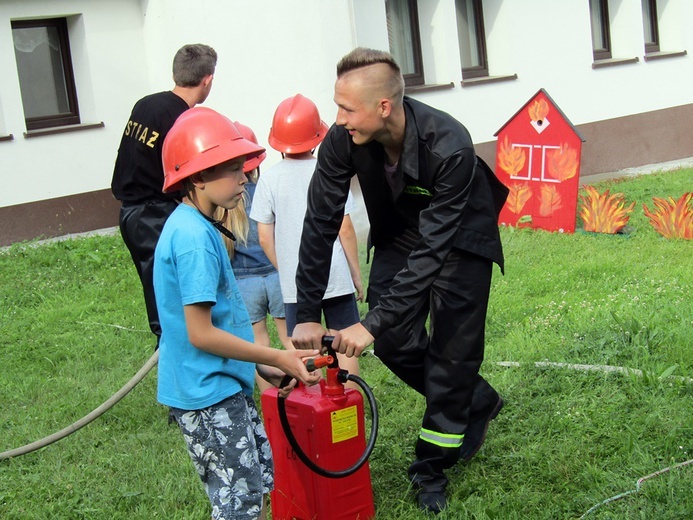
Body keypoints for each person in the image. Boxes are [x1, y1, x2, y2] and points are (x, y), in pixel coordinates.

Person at [290, 48, 509, 514]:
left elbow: (434, 252)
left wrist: (369, 324)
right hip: (399, 235)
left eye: (347, 108)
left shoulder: (450, 145)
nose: (339, 118)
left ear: (383, 106)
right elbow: (320, 222)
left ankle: (431, 467)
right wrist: (307, 310)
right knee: (392, 340)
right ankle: (475, 398)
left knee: (453, 355)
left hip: (459, 239)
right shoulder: (341, 140)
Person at [154, 106, 321, 520]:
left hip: (224, 386)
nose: (245, 177)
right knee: (237, 503)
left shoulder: (199, 225)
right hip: (206, 395)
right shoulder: (193, 238)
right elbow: (201, 334)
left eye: (242, 167)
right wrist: (276, 356)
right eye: (231, 170)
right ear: (196, 178)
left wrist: (266, 370)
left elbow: (222, 325)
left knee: (256, 484)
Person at [250, 94, 363, 382]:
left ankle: (315, 409)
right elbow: (345, 228)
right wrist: (356, 275)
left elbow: (264, 237)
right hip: (335, 274)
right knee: (346, 342)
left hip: (297, 285)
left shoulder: (270, 179)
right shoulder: (330, 171)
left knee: (305, 347)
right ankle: (349, 401)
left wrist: (287, 270)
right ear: (317, 136)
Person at [111, 43, 217, 349]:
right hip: (154, 214)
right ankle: (177, 359)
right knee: (172, 294)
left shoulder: (146, 104)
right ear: (207, 79)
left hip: (130, 213)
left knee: (156, 289)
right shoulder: (182, 119)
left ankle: (173, 350)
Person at [215, 121, 294, 392]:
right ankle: (303, 387)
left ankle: (271, 396)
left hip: (244, 282)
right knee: (291, 338)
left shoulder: (224, 201)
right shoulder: (266, 190)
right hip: (276, 275)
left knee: (258, 343)